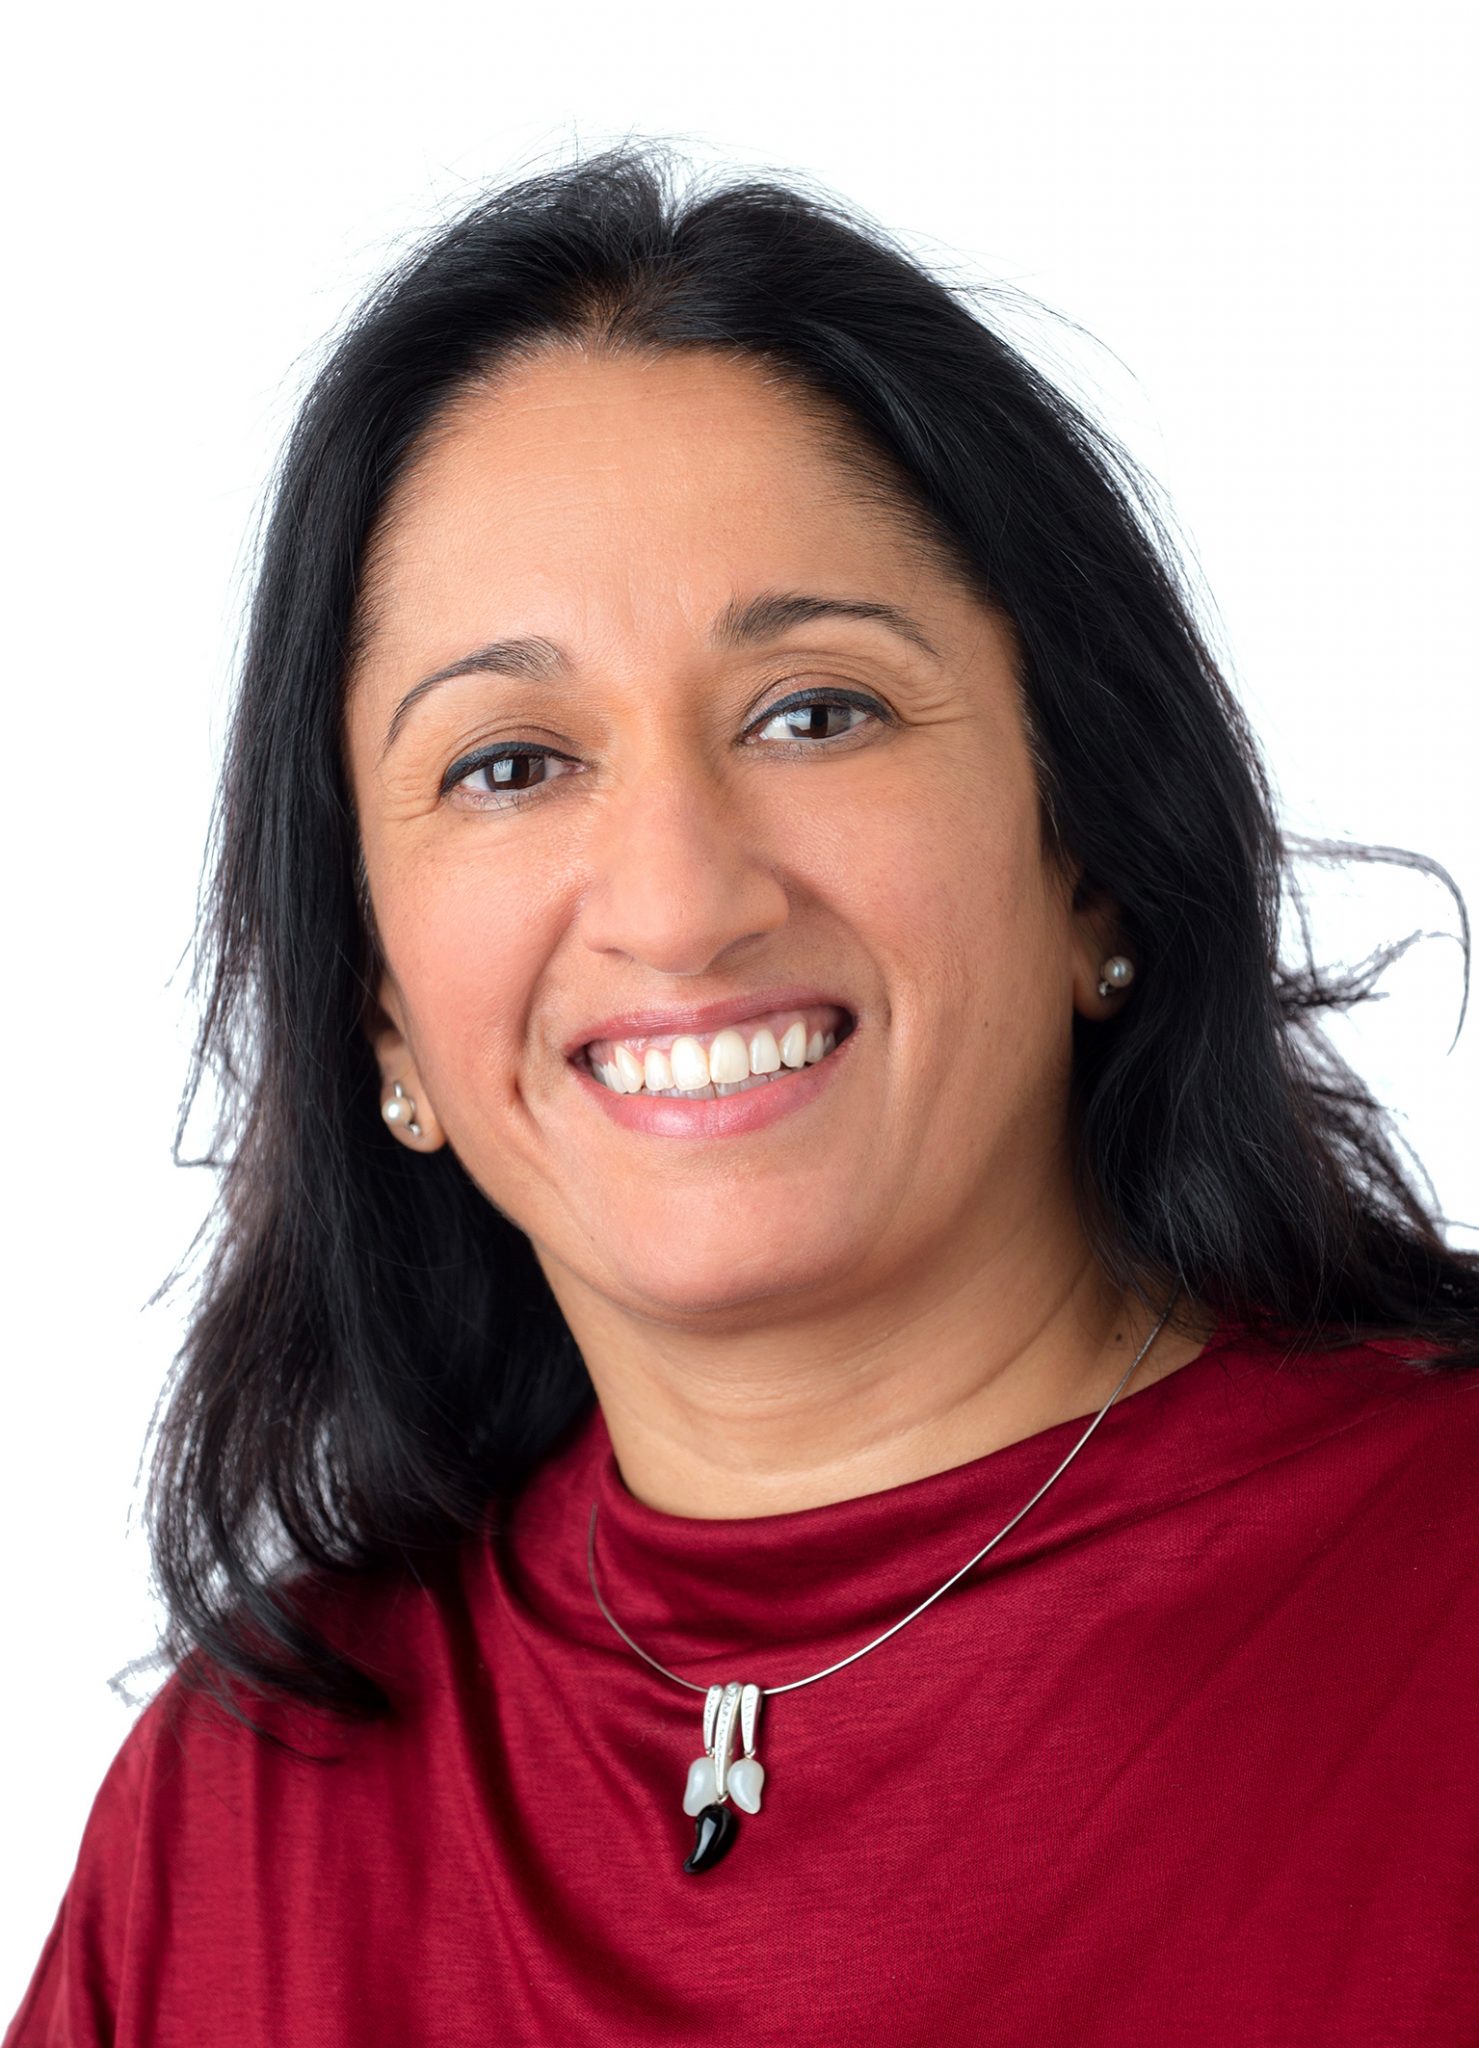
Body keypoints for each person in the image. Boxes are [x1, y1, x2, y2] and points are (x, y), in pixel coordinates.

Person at [7, 141, 1478, 2048]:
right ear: (384, 1017)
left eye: (815, 712)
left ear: (1094, 859)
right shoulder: (244, 1822)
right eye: (511, 764)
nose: (682, 901)